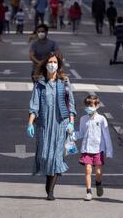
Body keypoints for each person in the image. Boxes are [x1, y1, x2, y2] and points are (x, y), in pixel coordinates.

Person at [27, 52, 77, 201]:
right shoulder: (39, 84)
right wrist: (30, 122)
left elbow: (71, 105)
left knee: (55, 157)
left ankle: (50, 192)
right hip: (44, 125)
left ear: (59, 65)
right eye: (50, 62)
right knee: (45, 156)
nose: (52, 64)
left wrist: (71, 123)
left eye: (55, 62)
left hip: (61, 124)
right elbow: (34, 106)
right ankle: (49, 183)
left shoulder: (64, 82)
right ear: (45, 64)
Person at [73, 95, 113, 201]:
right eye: (87, 105)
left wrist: (109, 151)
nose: (89, 108)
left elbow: (106, 136)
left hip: (98, 149)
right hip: (86, 149)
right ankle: (89, 192)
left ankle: (98, 183)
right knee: (88, 170)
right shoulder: (83, 119)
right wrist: (71, 135)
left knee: (98, 172)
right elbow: (81, 133)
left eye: (91, 105)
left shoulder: (101, 119)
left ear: (97, 106)